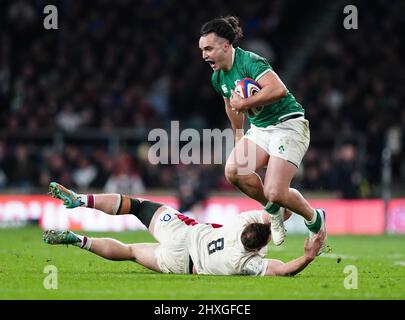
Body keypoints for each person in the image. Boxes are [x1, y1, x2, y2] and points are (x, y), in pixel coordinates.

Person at [199, 16, 326, 246]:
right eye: (202, 50)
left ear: (226, 46)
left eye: (208, 48)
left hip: (288, 124)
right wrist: (238, 134)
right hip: (261, 128)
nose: (204, 55)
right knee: (234, 171)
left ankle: (314, 218)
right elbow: (230, 104)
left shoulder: (251, 62)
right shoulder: (218, 77)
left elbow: (278, 89)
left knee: (275, 190)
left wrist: (245, 104)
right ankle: (274, 211)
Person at [44, 182, 325, 276]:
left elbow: (278, 208)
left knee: (137, 205)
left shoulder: (240, 220)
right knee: (130, 251)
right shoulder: (248, 262)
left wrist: (287, 213)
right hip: (181, 263)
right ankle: (77, 240)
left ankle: (79, 199)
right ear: (258, 247)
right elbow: (284, 270)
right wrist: (309, 256)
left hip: (181, 232)